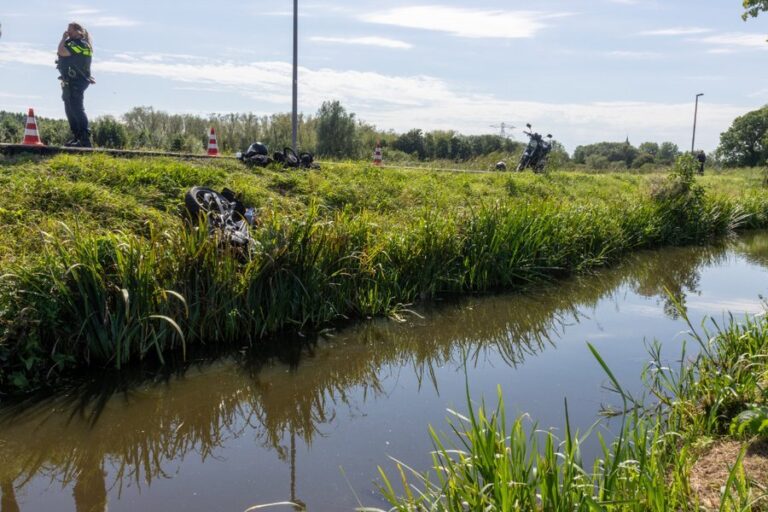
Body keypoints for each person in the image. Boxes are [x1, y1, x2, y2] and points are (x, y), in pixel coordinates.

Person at [57, 22, 95, 147]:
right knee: (69, 109)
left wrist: (63, 39)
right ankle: (77, 136)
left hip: (77, 81)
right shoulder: (75, 44)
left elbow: (62, 51)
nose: (68, 32)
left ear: (79, 31)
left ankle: (85, 139)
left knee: (77, 108)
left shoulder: (81, 45)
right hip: (70, 81)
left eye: (71, 30)